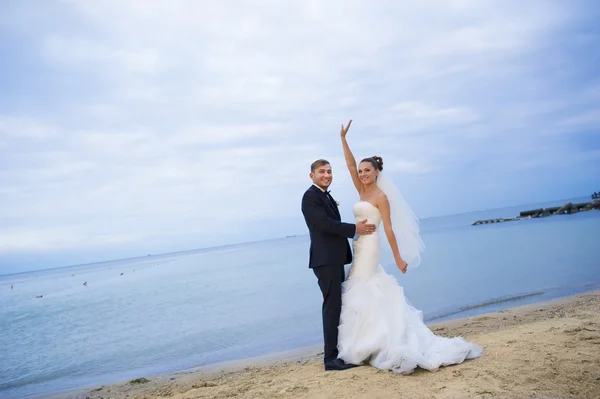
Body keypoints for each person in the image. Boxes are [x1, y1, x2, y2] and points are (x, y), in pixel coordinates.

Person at [336, 119, 483, 375]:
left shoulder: (381, 197)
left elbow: (389, 229)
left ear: (377, 173)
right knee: (360, 289)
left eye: (367, 171)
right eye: (361, 171)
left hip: (371, 248)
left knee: (364, 285)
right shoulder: (361, 190)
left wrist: (398, 257)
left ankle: (373, 343)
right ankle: (367, 342)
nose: (362, 174)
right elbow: (349, 165)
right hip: (358, 245)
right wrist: (343, 140)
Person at [301, 158, 376, 371]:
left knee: (337, 305)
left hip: (332, 258)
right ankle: (330, 359)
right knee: (332, 306)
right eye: (322, 172)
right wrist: (354, 229)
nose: (326, 175)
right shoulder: (309, 197)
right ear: (312, 176)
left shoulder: (324, 196)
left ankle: (338, 352)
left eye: (329, 171)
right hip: (325, 260)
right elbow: (324, 224)